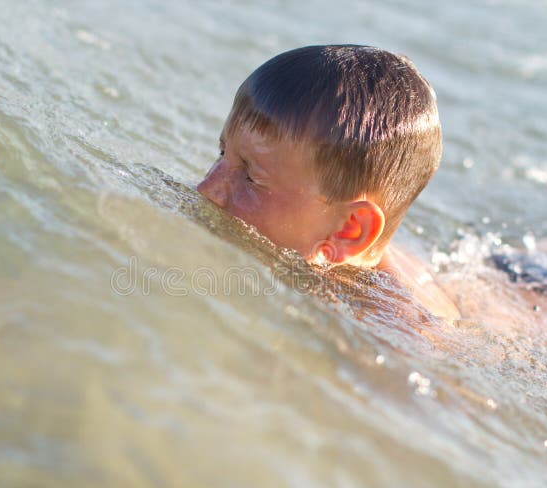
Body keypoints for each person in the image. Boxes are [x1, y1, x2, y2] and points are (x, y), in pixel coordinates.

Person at [196, 45, 460, 321]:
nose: (207, 189)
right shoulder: (317, 236)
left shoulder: (388, 327)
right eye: (222, 152)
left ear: (349, 230)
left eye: (250, 177)